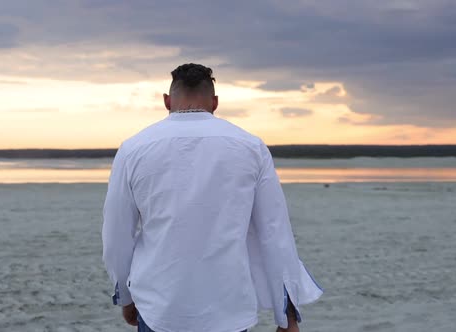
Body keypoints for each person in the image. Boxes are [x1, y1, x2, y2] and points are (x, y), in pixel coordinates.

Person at [102, 63, 322, 332]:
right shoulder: (250, 146)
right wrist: (286, 317)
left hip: (159, 306)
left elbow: (116, 236)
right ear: (215, 103)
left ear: (167, 101)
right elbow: (275, 233)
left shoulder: (133, 148)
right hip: (228, 308)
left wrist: (125, 296)